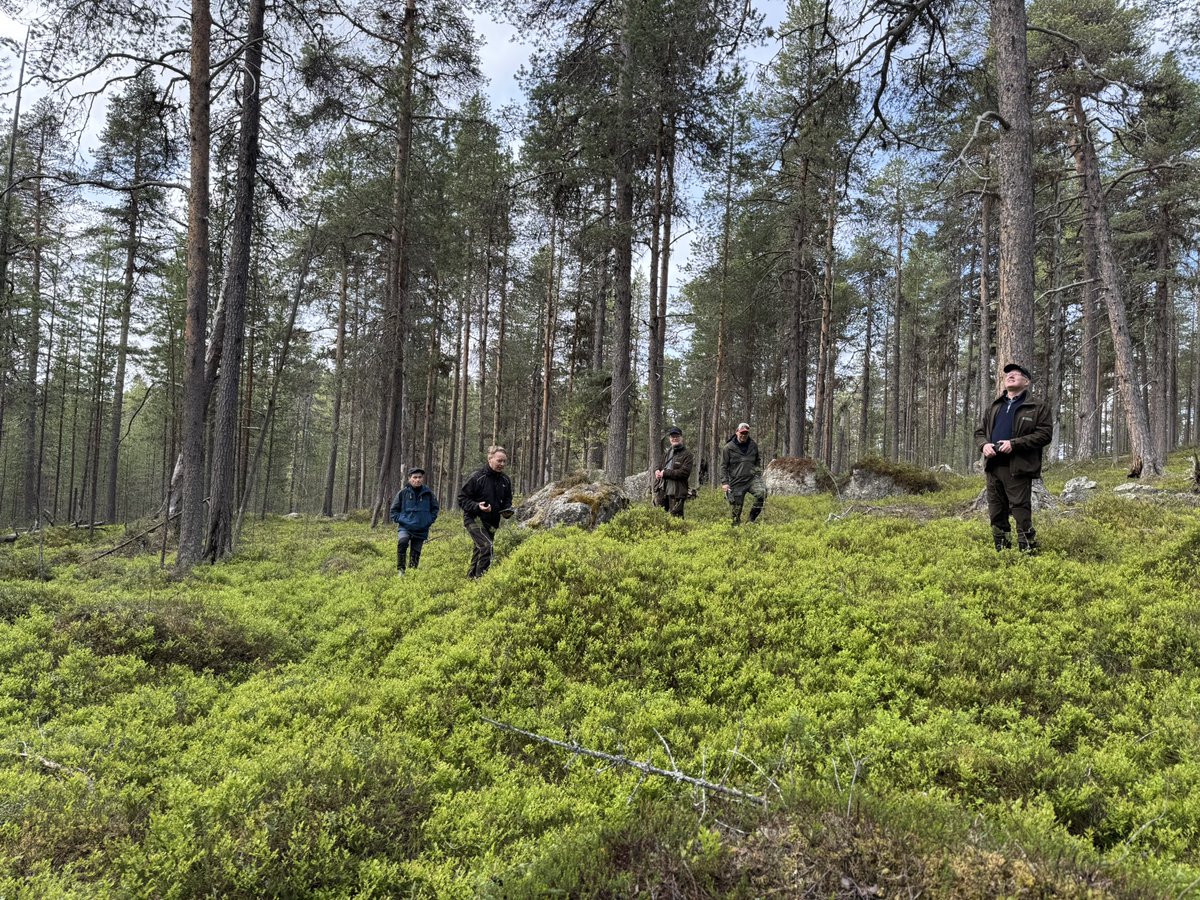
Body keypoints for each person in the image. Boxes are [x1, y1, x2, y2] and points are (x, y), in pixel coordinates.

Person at [974, 362, 1052, 553]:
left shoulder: (1037, 407)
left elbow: (1044, 435)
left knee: (1020, 510)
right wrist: (984, 445)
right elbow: (979, 432)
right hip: (993, 467)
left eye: (1016, 374)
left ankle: (1028, 550)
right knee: (996, 512)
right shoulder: (994, 406)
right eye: (1008, 374)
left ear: (1026, 382)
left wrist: (1014, 444)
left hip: (1018, 467)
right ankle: (1002, 551)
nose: (1010, 376)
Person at [457, 445, 513, 579]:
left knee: (479, 550)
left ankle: (471, 579)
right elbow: (462, 498)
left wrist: (507, 510)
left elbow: (507, 500)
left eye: (504, 461)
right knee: (487, 547)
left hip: (492, 522)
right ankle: (480, 581)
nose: (502, 464)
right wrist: (477, 506)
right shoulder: (477, 477)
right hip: (474, 519)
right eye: (499, 461)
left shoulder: (505, 480)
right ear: (490, 459)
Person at [389, 467, 439, 575]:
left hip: (421, 528)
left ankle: (412, 573)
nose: (417, 480)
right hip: (405, 527)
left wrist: (428, 520)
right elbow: (393, 511)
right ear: (409, 478)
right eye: (414, 477)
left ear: (423, 479)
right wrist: (402, 520)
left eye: (419, 477)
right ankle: (401, 570)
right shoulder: (403, 493)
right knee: (402, 542)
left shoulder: (428, 493)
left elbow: (435, 509)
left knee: (416, 552)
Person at [720, 422, 767, 525]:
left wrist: (758, 475)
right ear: (737, 432)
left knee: (762, 493)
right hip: (736, 481)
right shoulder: (728, 448)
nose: (743, 435)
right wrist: (725, 483)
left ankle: (751, 520)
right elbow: (723, 466)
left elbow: (757, 461)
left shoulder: (753, 445)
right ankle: (735, 530)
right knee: (736, 510)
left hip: (751, 480)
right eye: (741, 433)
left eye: (745, 433)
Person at [654, 427, 694, 517]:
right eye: (672, 436)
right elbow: (659, 465)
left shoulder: (687, 454)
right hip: (662, 491)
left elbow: (684, 473)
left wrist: (666, 473)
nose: (674, 438)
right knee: (659, 518)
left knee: (676, 519)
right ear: (669, 439)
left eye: (677, 436)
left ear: (681, 438)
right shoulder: (667, 453)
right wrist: (657, 471)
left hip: (677, 492)